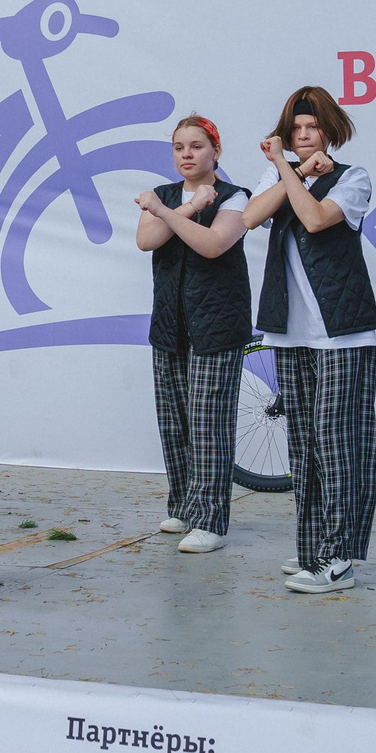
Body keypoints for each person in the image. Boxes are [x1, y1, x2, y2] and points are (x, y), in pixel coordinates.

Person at [245, 89, 376, 593]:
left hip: (342, 331)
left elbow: (316, 219)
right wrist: (296, 171)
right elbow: (250, 218)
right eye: (296, 128)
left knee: (338, 442)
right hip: (289, 331)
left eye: (313, 127)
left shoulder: (353, 177)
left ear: (330, 130)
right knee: (303, 444)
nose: (303, 135)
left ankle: (339, 556)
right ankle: (314, 550)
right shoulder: (285, 175)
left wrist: (290, 171)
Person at [130, 115, 251, 555]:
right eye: (179, 147)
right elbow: (147, 240)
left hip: (217, 325)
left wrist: (169, 212)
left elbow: (213, 245)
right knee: (175, 422)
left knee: (208, 425)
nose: (187, 154)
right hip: (170, 325)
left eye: (197, 146)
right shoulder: (164, 195)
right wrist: (178, 208)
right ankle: (183, 506)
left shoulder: (235, 197)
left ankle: (210, 520)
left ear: (216, 151)